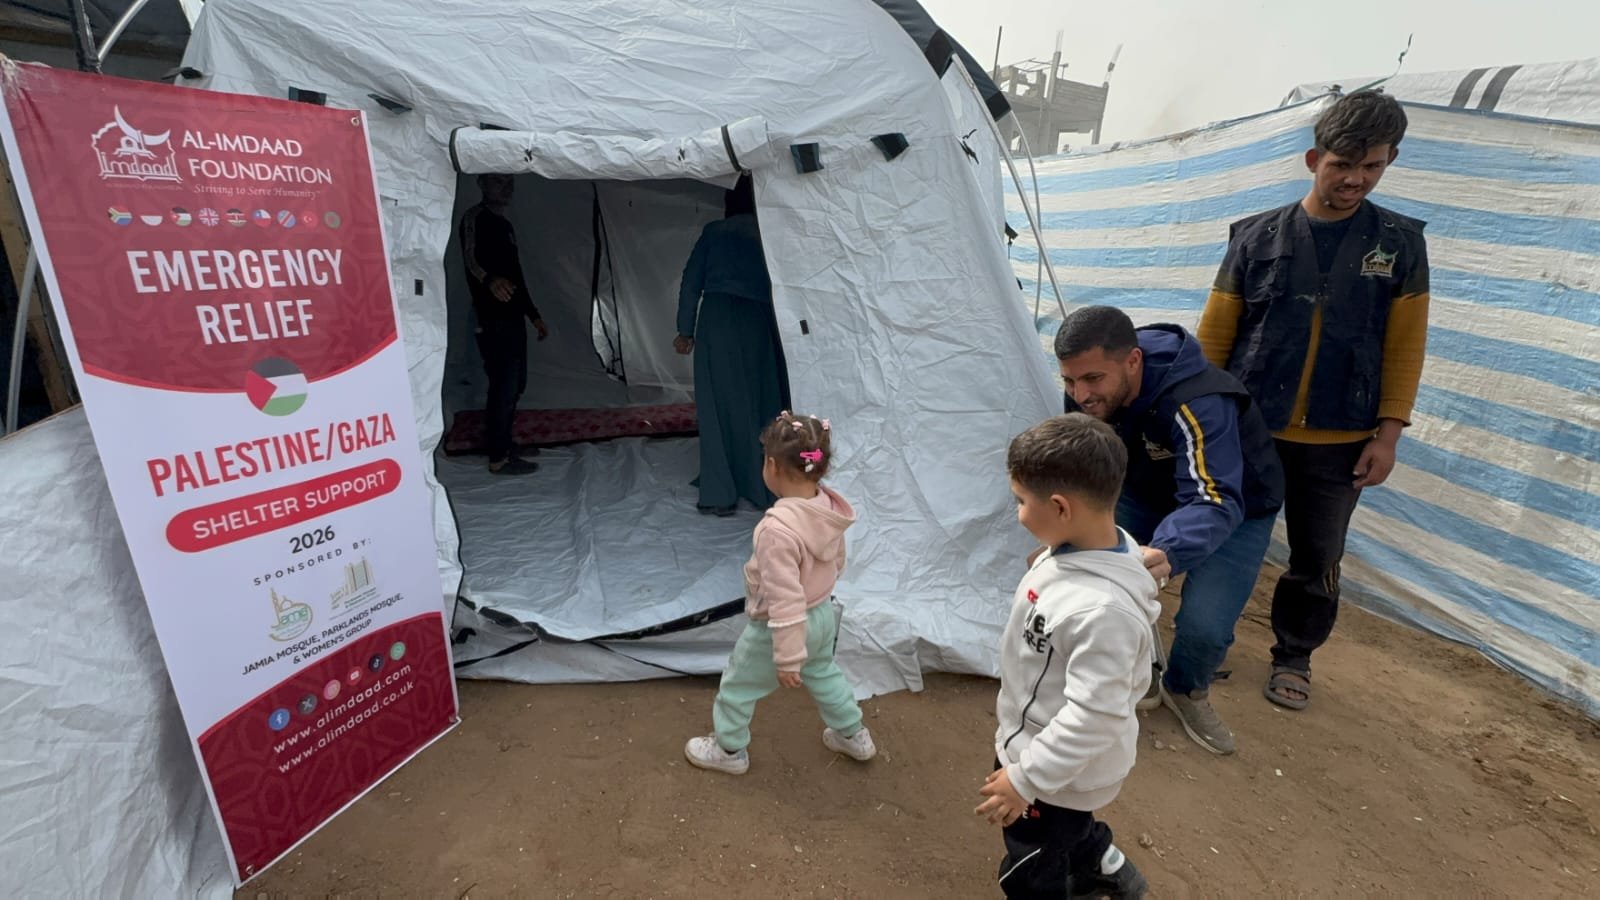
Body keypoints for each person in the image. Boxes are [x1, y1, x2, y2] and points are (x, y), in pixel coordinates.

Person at [1196, 90, 1430, 711]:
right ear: (1312, 159)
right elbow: (1216, 333)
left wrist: (1388, 434)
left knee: (1318, 554)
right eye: (1341, 165)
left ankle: (1294, 653)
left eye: (1372, 166)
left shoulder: (1401, 245)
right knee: (1223, 538)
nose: (1355, 179)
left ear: (1390, 161)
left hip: (1341, 442)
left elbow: (1406, 347)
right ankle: (1205, 642)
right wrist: (1203, 414)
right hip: (1251, 430)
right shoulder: (1255, 237)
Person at [1055, 306, 1284, 755]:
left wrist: (1165, 553)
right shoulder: (1087, 388)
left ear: (1133, 361)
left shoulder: (1198, 400)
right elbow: (1084, 461)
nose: (1080, 395)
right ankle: (1141, 672)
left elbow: (1213, 498)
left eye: (1092, 380)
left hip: (1234, 505)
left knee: (1205, 628)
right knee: (1104, 580)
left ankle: (1186, 689)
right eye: (1068, 381)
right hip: (1145, 490)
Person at [980, 414, 1159, 899]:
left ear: (1060, 507)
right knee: (1069, 828)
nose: (1017, 511)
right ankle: (1101, 860)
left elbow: (1095, 714)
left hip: (1052, 771)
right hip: (1048, 757)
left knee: (1030, 860)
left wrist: (1025, 779)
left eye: (1021, 500)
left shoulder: (1101, 612)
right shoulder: (1090, 544)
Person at [684, 411, 875, 774]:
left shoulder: (777, 530)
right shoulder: (828, 508)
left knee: (738, 684)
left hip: (780, 627)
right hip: (822, 615)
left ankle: (728, 750)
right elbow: (837, 558)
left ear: (771, 465)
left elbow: (785, 598)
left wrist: (787, 656)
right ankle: (853, 733)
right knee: (824, 673)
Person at [674, 176, 790, 515]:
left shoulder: (714, 232)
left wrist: (685, 330)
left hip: (717, 320)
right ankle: (766, 486)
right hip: (760, 320)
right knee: (764, 401)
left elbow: (690, 282)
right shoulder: (770, 231)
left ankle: (720, 494)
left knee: (718, 406)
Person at [459, 173, 550, 475]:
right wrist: (489, 280)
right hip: (490, 317)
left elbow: (517, 274)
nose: (506, 187)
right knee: (504, 384)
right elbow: (470, 258)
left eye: (509, 182)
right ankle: (498, 456)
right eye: (499, 181)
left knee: (516, 383)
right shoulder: (475, 218)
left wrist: (533, 314)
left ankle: (504, 442)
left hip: (512, 317)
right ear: (482, 183)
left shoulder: (505, 226)